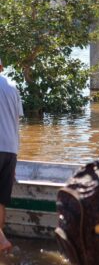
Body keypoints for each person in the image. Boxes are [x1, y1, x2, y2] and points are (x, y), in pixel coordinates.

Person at [0, 58, 23, 252]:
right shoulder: (13, 87)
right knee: (1, 200)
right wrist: (14, 161)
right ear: (1, 67)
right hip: (10, 150)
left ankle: (2, 241)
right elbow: (17, 122)